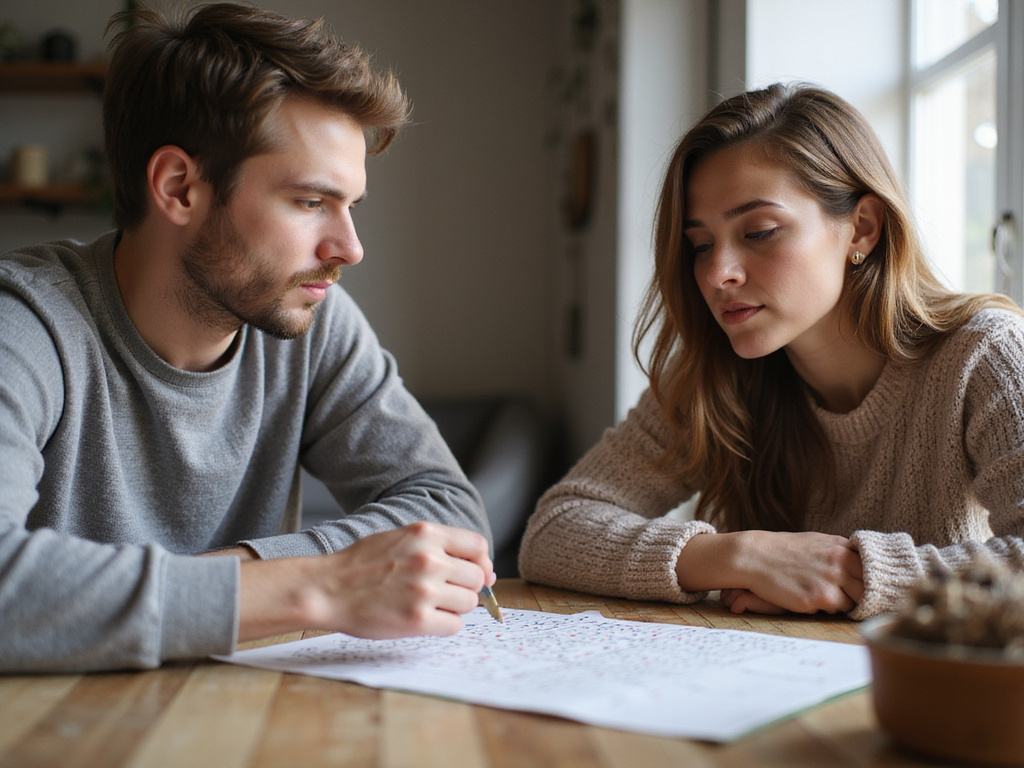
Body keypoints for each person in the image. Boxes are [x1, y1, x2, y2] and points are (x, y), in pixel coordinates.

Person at [0, 3, 494, 673]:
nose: (349, 247)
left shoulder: (313, 321)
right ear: (179, 188)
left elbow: (452, 513)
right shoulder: (23, 324)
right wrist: (318, 585)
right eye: (310, 201)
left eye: (351, 206)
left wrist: (241, 576)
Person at [519, 82, 1024, 619]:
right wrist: (739, 554)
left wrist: (850, 574)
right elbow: (555, 529)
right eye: (701, 245)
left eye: (759, 232)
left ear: (863, 228)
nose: (717, 274)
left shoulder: (985, 354)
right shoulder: (715, 377)